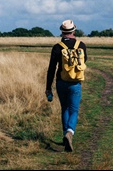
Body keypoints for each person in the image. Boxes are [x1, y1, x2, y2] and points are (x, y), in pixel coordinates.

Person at [45, 19, 88, 152]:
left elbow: (51, 68)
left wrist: (48, 87)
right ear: (73, 31)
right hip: (75, 83)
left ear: (62, 32)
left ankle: (65, 135)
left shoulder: (57, 47)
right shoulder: (81, 45)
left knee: (64, 108)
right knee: (74, 109)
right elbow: (84, 61)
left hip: (61, 82)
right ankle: (70, 132)